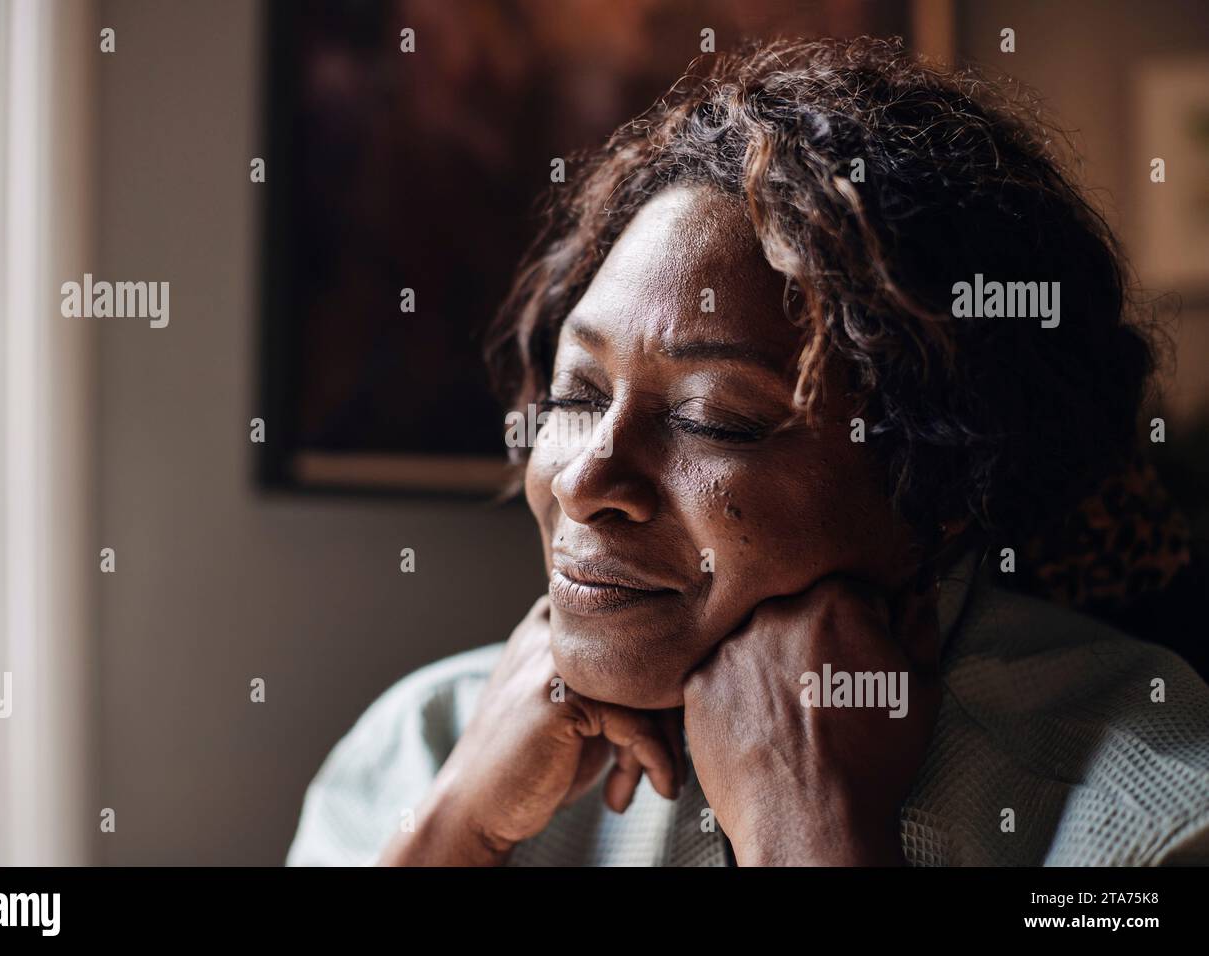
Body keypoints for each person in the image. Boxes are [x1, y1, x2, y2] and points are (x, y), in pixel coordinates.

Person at [288, 38, 1209, 866]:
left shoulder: (1148, 825)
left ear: (940, 481)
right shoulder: (424, 742)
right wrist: (454, 835)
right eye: (577, 395)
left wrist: (808, 836)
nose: (585, 479)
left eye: (714, 420)